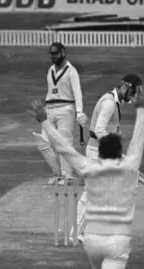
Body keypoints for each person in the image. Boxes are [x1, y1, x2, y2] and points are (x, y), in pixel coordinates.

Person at [29, 80, 144, 269]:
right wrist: (143, 109)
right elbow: (139, 141)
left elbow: (64, 149)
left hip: (92, 240)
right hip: (118, 241)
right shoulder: (129, 167)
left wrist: (44, 122)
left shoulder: (89, 166)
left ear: (101, 153)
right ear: (118, 154)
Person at [74, 74, 144, 242]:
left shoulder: (113, 102)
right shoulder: (108, 103)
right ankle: (74, 232)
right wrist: (114, 150)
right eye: (133, 92)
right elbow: (99, 130)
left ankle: (86, 230)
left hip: (101, 151)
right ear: (125, 86)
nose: (132, 97)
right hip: (97, 152)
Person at [34, 42, 88, 185]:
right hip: (50, 109)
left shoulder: (71, 71)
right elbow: (50, 90)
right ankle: (57, 173)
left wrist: (79, 112)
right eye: (51, 54)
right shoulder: (50, 70)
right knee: (46, 142)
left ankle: (67, 175)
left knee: (64, 142)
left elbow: (77, 92)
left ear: (63, 53)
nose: (53, 56)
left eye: (55, 53)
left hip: (66, 108)